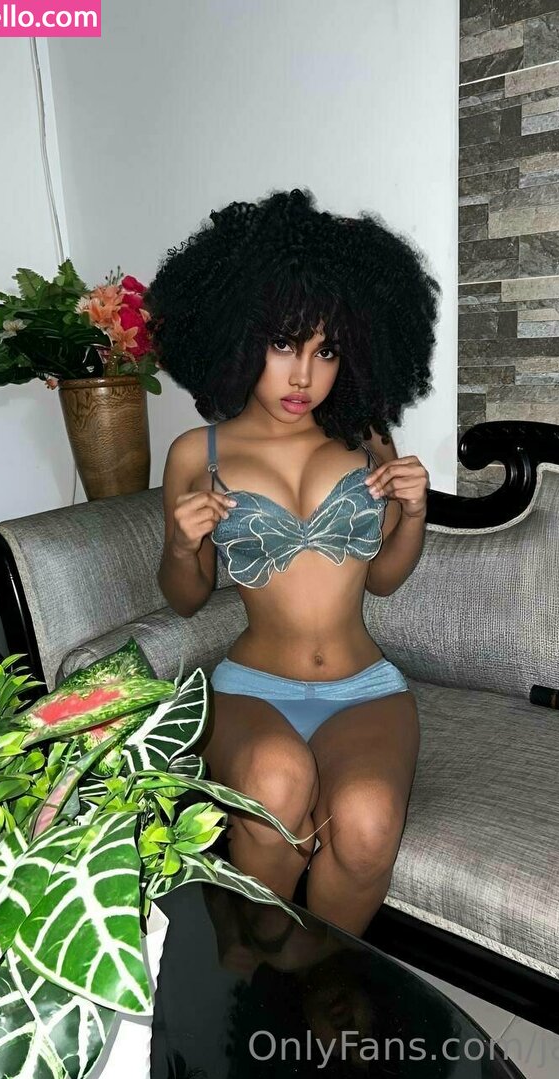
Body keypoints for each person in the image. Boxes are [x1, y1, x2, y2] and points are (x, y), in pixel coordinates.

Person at [147, 187, 440, 942]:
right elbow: (186, 598)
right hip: (253, 688)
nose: (304, 376)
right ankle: (246, 972)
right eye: (284, 345)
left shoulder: (366, 439)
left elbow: (384, 579)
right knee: (277, 787)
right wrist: (181, 545)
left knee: (368, 826)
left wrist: (415, 514)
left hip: (364, 688)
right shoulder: (197, 453)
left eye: (327, 351)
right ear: (241, 337)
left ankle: (310, 982)